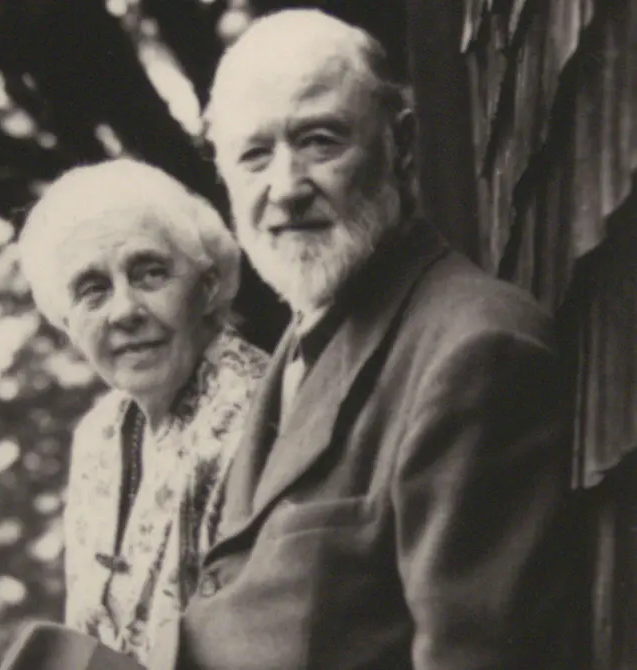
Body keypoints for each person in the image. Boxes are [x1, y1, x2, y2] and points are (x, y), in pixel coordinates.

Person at [146, 9, 581, 670]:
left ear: (402, 145)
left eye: (320, 141)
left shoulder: (475, 351)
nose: (286, 188)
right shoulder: (305, 343)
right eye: (255, 155)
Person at [16, 158, 269, 665]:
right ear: (66, 321)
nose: (125, 311)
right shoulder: (99, 435)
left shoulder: (266, 413)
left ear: (210, 283)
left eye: (150, 273)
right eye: (92, 290)